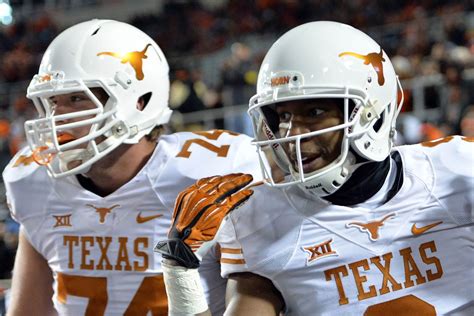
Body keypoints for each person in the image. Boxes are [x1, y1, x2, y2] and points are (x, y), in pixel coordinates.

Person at [157, 21, 474, 315]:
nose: (292, 133)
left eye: (315, 110)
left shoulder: (457, 172)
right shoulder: (259, 222)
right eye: (282, 116)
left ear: (372, 113)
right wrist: (179, 272)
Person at [2, 19, 262, 315]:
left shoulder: (211, 173)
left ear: (139, 101)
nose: (57, 118)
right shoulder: (33, 181)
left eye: (76, 98)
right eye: (51, 102)